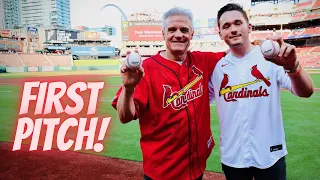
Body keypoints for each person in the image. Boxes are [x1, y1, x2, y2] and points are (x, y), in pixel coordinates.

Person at [112, 7, 226, 180]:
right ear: (163, 34)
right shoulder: (147, 69)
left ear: (192, 34)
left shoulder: (203, 61)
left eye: (184, 30)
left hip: (196, 168)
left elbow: (236, 53)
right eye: (172, 29)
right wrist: (128, 88)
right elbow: (125, 116)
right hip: (162, 173)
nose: (178, 34)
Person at [208, 3, 314, 180]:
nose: (233, 29)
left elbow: (307, 91)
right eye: (226, 26)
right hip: (233, 157)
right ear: (220, 33)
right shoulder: (217, 68)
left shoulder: (273, 58)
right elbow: (200, 102)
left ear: (249, 27)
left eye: (237, 23)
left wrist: (293, 68)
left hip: (271, 154)